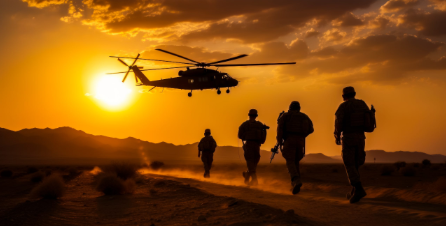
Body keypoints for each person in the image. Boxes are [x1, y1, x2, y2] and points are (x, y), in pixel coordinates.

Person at [334, 86, 370, 203]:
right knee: (355, 164)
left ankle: (359, 189)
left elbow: (339, 122)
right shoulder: (362, 104)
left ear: (344, 96)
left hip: (349, 137)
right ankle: (354, 191)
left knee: (349, 164)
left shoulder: (344, 106)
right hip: (361, 137)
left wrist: (337, 136)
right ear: (354, 93)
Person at [277, 101, 314, 194]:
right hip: (300, 141)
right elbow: (311, 129)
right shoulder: (304, 116)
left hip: (289, 140)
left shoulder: (285, 116)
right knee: (295, 162)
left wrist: (279, 140)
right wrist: (302, 135)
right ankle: (294, 184)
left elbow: (280, 129)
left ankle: (296, 180)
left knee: (290, 161)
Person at [238, 109, 267, 186]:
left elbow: (239, 135)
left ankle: (247, 175)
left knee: (251, 164)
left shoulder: (244, 125)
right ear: (256, 115)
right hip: (256, 145)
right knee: (253, 163)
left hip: (250, 145)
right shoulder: (260, 125)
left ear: (249, 115)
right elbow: (264, 135)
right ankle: (254, 180)